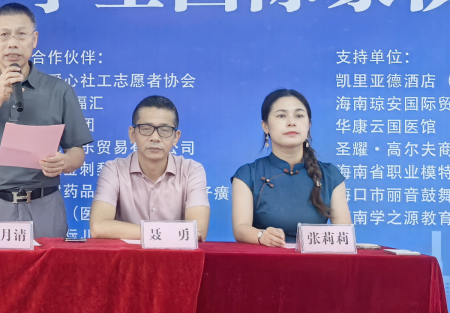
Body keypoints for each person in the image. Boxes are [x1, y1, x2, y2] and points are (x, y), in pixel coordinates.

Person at [0, 2, 91, 239]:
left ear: (34, 39)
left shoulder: (59, 90)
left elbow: (76, 151)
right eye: (4, 35)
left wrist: (65, 162)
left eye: (21, 34)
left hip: (44, 203)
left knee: (50, 264)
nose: (12, 43)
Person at [232, 88, 351, 246]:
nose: (291, 122)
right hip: (266, 258)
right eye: (281, 116)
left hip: (316, 259)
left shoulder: (330, 175)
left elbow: (344, 234)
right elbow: (240, 228)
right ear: (265, 126)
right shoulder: (247, 174)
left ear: (309, 125)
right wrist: (261, 236)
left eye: (299, 116)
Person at [90, 95, 209, 240]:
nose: (155, 138)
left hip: (175, 254)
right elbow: (98, 227)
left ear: (176, 137)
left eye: (164, 130)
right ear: (132, 134)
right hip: (127, 254)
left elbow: (197, 231)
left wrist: (150, 233)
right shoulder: (114, 169)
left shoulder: (191, 170)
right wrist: (166, 233)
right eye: (146, 129)